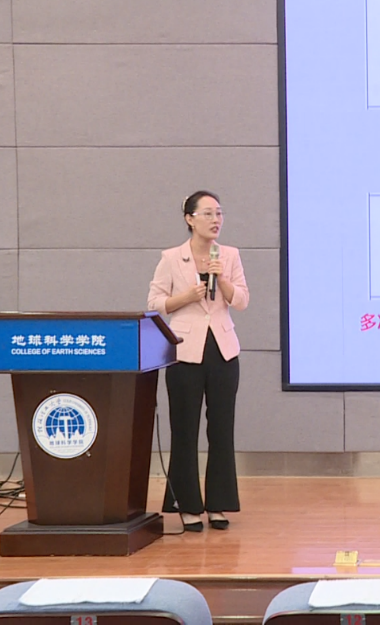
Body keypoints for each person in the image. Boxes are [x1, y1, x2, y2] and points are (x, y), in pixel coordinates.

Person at [147, 190, 249, 532]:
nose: (215, 220)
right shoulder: (171, 258)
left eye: (218, 213)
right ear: (189, 219)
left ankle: (218, 504)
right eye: (207, 213)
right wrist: (185, 297)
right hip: (184, 352)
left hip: (223, 350)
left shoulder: (229, 256)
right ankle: (188, 506)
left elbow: (242, 300)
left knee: (221, 429)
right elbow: (155, 302)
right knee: (184, 429)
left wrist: (223, 279)